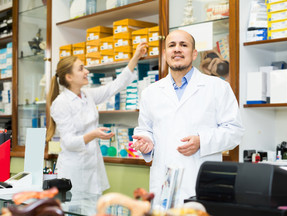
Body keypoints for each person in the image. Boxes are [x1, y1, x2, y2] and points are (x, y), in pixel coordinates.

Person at [131, 30, 244, 205]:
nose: (177, 49)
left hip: (199, 181)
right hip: (163, 184)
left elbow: (235, 131)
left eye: (183, 45)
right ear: (165, 54)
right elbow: (145, 129)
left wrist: (202, 141)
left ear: (194, 54)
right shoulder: (150, 93)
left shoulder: (218, 87)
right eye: (171, 45)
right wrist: (146, 143)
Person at [46, 42, 147, 195]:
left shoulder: (87, 95)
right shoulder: (61, 103)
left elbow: (113, 87)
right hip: (73, 171)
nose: (86, 71)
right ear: (69, 77)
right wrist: (94, 134)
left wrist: (135, 58)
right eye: (81, 69)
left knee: (92, 214)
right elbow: (68, 142)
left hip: (92, 166)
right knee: (74, 215)